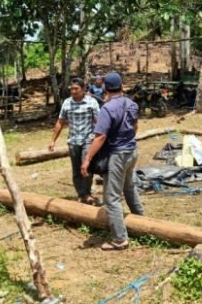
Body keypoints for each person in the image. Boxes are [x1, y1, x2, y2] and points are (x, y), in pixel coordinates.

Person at [81, 72, 144, 251]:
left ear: (105, 88)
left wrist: (87, 159)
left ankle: (120, 239)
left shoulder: (107, 109)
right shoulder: (132, 104)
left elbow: (100, 137)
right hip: (132, 151)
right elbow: (135, 127)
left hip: (118, 155)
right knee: (129, 186)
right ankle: (142, 221)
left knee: (111, 198)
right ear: (122, 86)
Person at [49, 77, 100, 205]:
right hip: (73, 141)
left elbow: (98, 121)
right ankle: (81, 194)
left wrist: (101, 138)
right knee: (76, 170)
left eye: (76, 89)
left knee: (86, 167)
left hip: (88, 140)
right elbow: (60, 122)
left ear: (83, 89)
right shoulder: (67, 103)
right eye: (71, 89)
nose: (73, 91)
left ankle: (87, 193)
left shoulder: (92, 102)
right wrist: (53, 140)